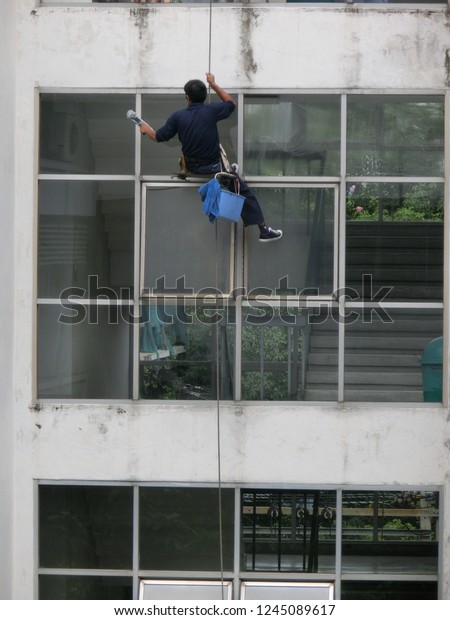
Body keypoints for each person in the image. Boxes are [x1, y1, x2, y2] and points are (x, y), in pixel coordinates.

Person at [139, 74, 283, 242]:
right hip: (214, 168)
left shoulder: (178, 117)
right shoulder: (211, 110)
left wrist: (144, 128)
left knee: (224, 162)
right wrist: (213, 84)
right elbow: (231, 103)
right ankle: (264, 229)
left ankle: (230, 169)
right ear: (204, 96)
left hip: (192, 167)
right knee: (241, 188)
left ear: (187, 97)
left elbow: (158, 137)